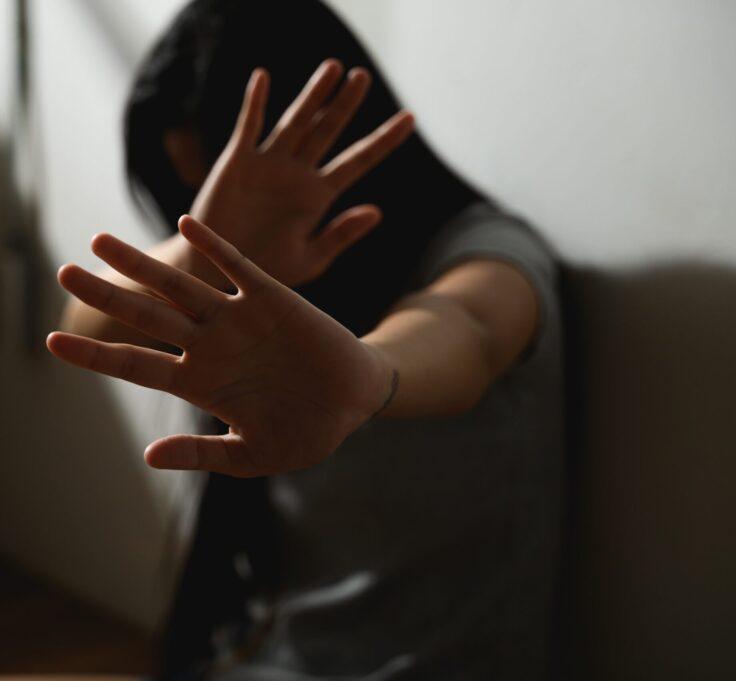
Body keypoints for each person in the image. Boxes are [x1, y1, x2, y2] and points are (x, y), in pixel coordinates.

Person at [48, 0, 565, 679]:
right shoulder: (252, 291)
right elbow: (80, 323)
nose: (197, 205)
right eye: (190, 197)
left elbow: (469, 330)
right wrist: (205, 250)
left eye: (218, 185)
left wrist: (372, 373)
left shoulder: (486, 252)